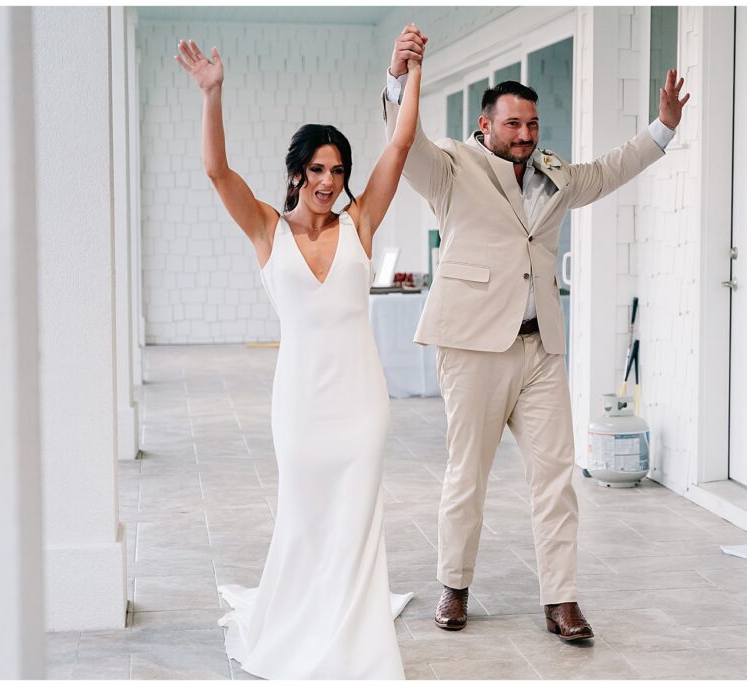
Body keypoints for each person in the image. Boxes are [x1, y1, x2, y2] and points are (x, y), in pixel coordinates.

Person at [382, 26, 688, 641]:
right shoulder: (450, 166)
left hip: (540, 347)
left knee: (556, 475)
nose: (525, 135)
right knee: (466, 475)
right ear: (485, 124)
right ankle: (455, 587)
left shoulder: (551, 174)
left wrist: (663, 129)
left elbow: (606, 171)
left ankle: (561, 600)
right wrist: (399, 77)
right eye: (513, 125)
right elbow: (402, 141)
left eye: (532, 124)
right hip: (472, 347)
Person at [176, 34, 424, 678]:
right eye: (318, 169)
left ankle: (354, 634)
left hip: (361, 399)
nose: (329, 181)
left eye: (338, 170)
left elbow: (398, 145)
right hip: (299, 403)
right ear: (297, 173)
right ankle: (301, 620)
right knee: (308, 515)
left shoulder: (361, 224)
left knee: (357, 519)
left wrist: (411, 72)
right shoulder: (266, 228)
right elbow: (216, 173)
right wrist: (213, 94)